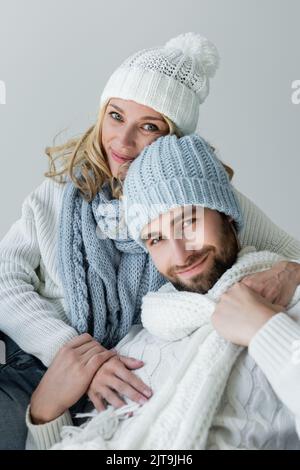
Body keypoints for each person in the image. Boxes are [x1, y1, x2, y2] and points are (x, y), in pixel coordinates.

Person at [1, 33, 300, 450]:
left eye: (148, 126)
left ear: (174, 136)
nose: (122, 142)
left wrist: (289, 272)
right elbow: (4, 279)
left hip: (123, 372)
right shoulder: (55, 196)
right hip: (39, 359)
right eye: (116, 116)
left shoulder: (195, 191)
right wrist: (67, 351)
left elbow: (292, 252)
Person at [26, 134, 300, 450]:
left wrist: (266, 330)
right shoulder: (144, 332)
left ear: (225, 213)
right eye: (156, 239)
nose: (181, 254)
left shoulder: (285, 300)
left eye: (188, 223)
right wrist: (46, 413)